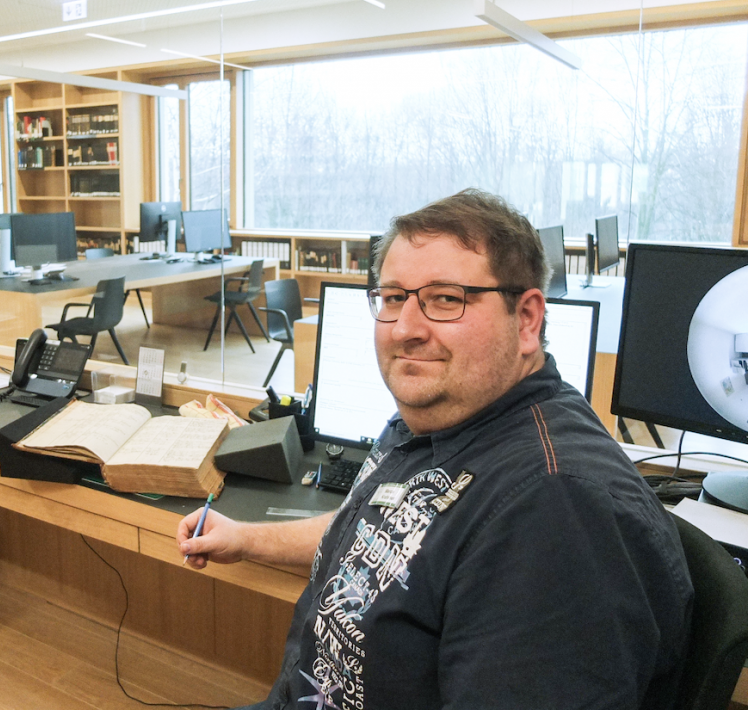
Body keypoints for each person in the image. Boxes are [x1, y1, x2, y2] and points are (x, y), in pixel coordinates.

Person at [177, 189, 692, 709]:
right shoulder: (435, 419)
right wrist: (245, 539)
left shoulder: (556, 513)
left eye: (447, 298)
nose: (404, 329)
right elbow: (385, 544)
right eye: (394, 297)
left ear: (528, 320)